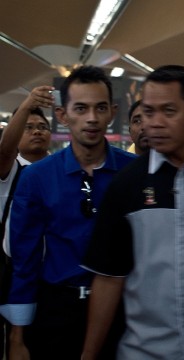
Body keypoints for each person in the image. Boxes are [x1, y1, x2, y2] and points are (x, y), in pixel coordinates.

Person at [81, 65, 184, 360]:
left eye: (169, 111)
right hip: (144, 351)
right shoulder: (126, 185)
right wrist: (89, 355)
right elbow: (110, 279)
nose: (156, 123)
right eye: (149, 112)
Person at [0, 65, 136, 359]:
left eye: (100, 108)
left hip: (121, 311)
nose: (92, 118)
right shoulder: (36, 177)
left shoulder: (131, 172)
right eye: (81, 108)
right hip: (55, 311)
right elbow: (25, 258)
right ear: (63, 115)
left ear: (112, 112)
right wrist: (18, 335)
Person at [0, 87, 53, 359]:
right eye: (28, 127)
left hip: (54, 276)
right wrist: (27, 104)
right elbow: (4, 151)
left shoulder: (58, 170)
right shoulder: (9, 170)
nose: (36, 131)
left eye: (42, 127)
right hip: (13, 275)